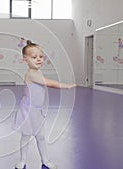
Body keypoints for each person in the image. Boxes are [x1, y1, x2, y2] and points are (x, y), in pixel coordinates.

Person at [13, 40, 76, 169]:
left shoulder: (37, 72)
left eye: (41, 57)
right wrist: (66, 86)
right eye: (34, 57)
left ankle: (45, 161)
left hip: (37, 111)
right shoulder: (31, 74)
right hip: (28, 110)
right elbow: (50, 83)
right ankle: (23, 161)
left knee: (40, 137)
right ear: (25, 60)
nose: (39, 60)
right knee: (25, 136)